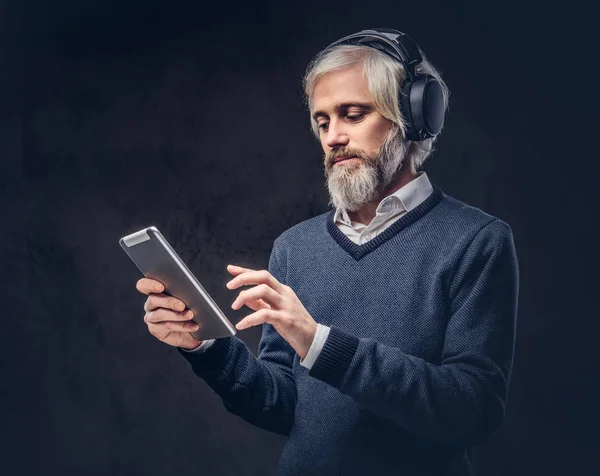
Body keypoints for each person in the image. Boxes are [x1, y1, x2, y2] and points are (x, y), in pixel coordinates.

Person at [136, 28, 519, 475]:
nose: (333, 137)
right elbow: (282, 407)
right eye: (322, 122)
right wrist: (205, 346)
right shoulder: (295, 248)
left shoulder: (477, 241)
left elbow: (471, 410)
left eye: (352, 115)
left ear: (413, 117)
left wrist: (320, 343)